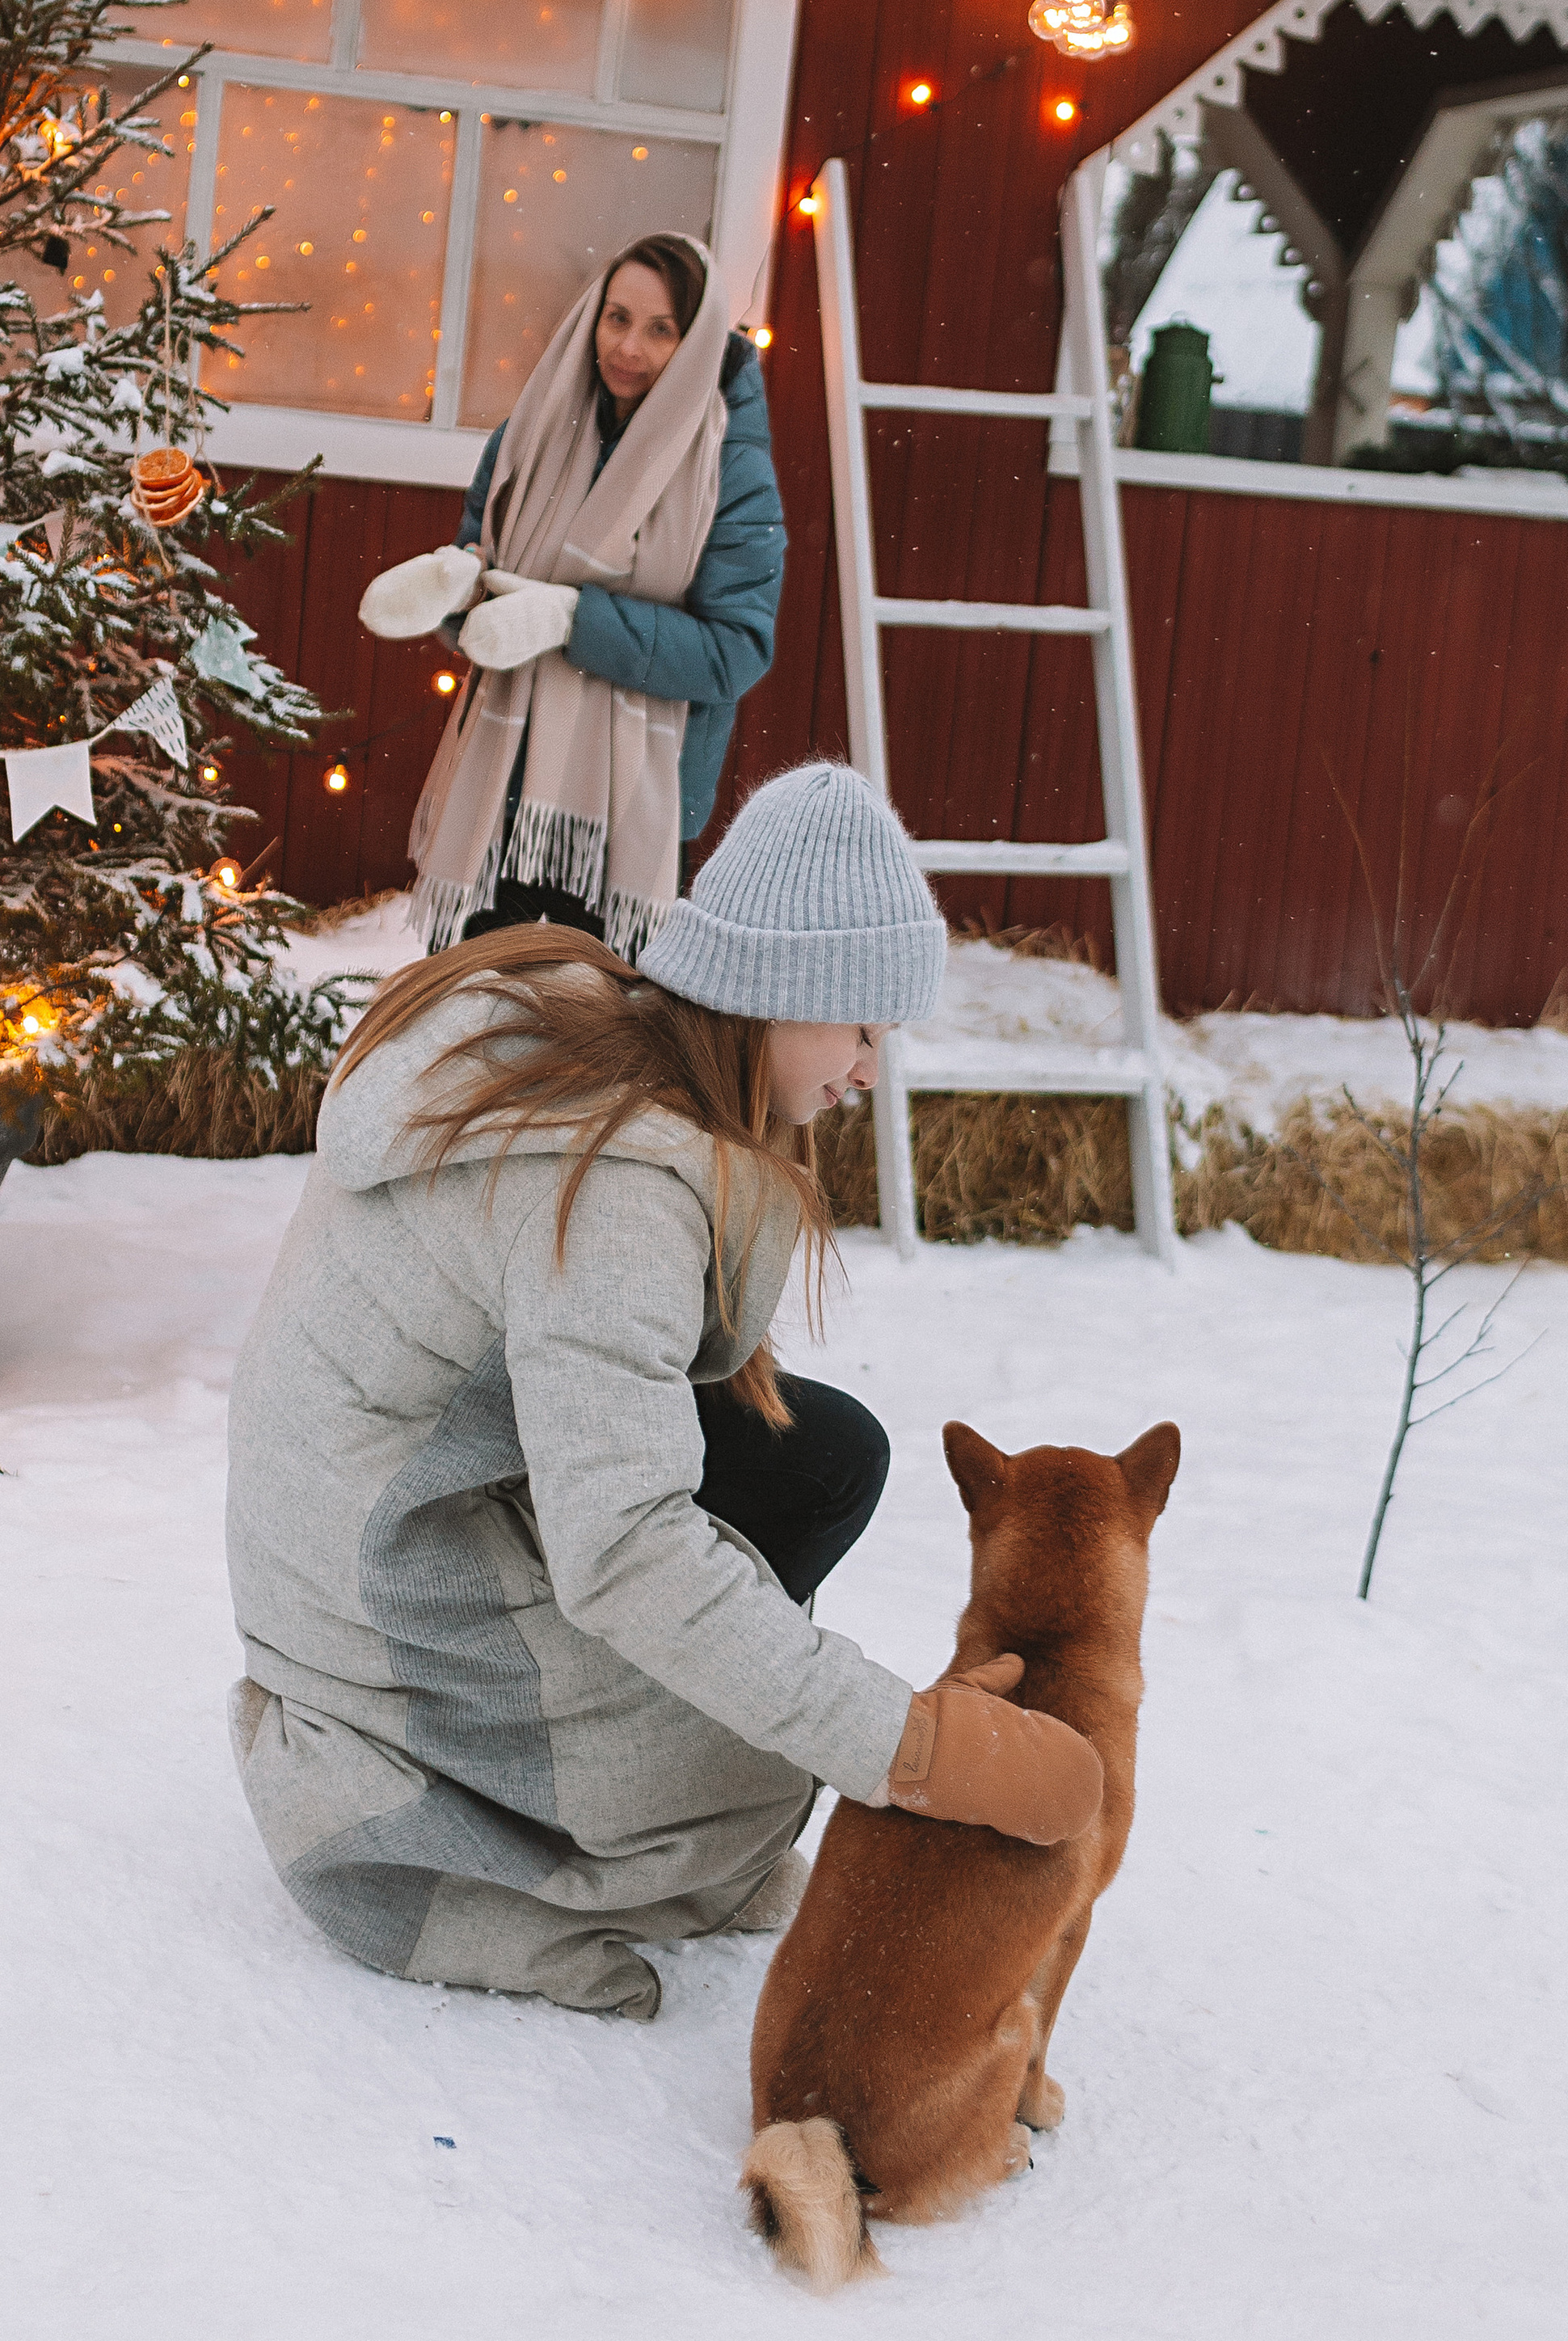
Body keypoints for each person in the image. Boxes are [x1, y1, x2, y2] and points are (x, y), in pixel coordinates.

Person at [226, 765, 1104, 2025]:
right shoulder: (616, 1180)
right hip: (375, 1574)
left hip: (411, 1494)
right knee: (762, 1780)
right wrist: (910, 1747)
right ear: (775, 995)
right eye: (859, 1027)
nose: (868, 1070)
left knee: (823, 1452)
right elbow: (628, 1547)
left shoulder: (619, 1044)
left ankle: (640, 1787)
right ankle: (426, 1865)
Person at [357, 234, 783, 958]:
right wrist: (457, 587)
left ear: (698, 340)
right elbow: (486, 618)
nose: (628, 347)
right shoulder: (532, 433)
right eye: (617, 318)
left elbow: (734, 652)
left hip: (625, 817)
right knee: (467, 1014)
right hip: (503, 779)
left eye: (660, 330)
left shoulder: (728, 470)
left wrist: (571, 620)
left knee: (597, 1041)